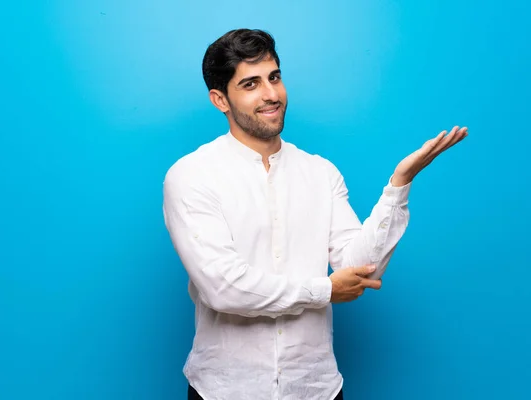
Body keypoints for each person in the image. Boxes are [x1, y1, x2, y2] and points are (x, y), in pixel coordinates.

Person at [163, 28, 467, 400]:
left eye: (274, 77)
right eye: (250, 84)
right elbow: (224, 288)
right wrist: (324, 290)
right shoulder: (192, 175)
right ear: (220, 100)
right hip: (225, 390)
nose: (271, 94)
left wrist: (399, 185)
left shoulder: (321, 173)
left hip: (316, 388)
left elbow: (360, 267)